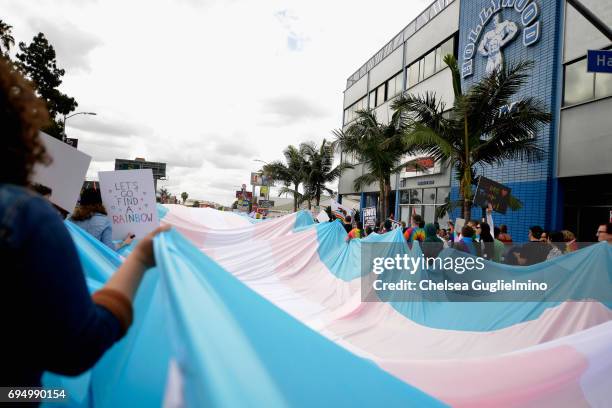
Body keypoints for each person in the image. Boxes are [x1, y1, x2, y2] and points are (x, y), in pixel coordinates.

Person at [0, 57, 169, 388]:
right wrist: (138, 258)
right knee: (56, 396)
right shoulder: (26, 217)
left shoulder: (57, 221)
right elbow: (76, 347)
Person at [71, 187, 135, 251]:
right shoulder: (104, 221)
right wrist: (125, 242)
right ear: (100, 202)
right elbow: (109, 248)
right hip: (92, 259)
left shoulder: (71, 219)